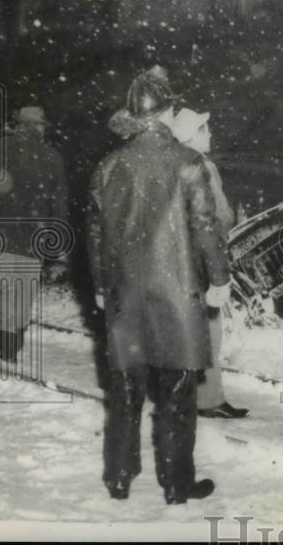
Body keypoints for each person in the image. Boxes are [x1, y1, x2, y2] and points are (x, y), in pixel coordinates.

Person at [88, 67, 230, 504]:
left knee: (126, 390)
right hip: (177, 289)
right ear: (168, 112)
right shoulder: (188, 164)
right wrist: (219, 278)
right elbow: (205, 226)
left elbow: (95, 232)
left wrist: (99, 284)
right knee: (176, 392)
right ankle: (176, 483)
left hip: (124, 292)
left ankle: (119, 477)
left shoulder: (110, 165)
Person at [0, 105, 69, 366]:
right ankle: (15, 341)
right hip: (34, 236)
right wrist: (58, 245)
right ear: (39, 127)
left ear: (18, 125)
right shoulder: (52, 157)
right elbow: (59, 205)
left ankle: (8, 348)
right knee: (24, 291)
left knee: (3, 290)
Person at [170, 107, 249, 420]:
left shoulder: (168, 162)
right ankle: (209, 399)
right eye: (205, 129)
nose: (211, 134)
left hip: (173, 262)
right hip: (201, 261)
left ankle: (181, 396)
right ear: (193, 135)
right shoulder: (201, 165)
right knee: (209, 331)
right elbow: (218, 215)